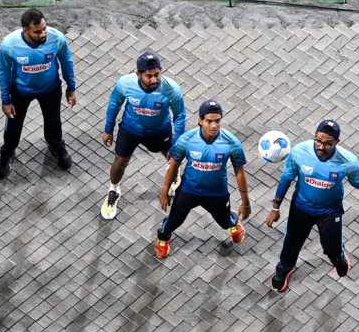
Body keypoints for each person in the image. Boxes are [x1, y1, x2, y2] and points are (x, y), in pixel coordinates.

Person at [265, 119, 359, 292]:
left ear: (337, 142)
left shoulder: (348, 162)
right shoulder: (299, 152)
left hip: (330, 211)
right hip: (301, 208)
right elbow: (287, 177)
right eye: (318, 141)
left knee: (331, 247)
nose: (321, 147)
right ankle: (284, 269)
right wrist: (275, 207)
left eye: (328, 144)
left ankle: (339, 259)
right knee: (291, 243)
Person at [154, 99, 250, 260]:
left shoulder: (231, 142)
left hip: (217, 194)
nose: (214, 125)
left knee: (225, 221)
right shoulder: (187, 140)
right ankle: (162, 239)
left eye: (217, 121)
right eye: (209, 121)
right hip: (188, 191)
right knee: (174, 220)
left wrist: (245, 202)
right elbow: (173, 164)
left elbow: (239, 172)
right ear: (200, 120)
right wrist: (165, 189)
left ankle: (234, 224)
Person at [100, 51, 185, 220]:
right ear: (138, 74)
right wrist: (108, 129)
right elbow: (114, 104)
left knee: (172, 157)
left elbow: (180, 115)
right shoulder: (125, 84)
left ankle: (175, 173)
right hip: (130, 130)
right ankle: (114, 190)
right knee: (120, 162)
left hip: (160, 131)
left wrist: (177, 143)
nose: (154, 80)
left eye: (157, 75)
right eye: (148, 76)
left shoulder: (171, 89)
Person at [0, 8, 77, 180]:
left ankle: (56, 145)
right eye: (37, 32)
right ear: (25, 30)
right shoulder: (10, 45)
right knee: (13, 126)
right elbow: (3, 71)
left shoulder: (57, 39)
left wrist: (71, 87)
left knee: (54, 121)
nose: (43, 34)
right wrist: (5, 100)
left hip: (51, 89)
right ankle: (7, 153)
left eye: (44, 28)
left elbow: (66, 61)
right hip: (21, 92)